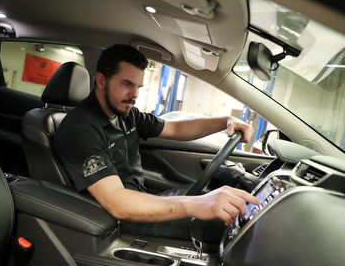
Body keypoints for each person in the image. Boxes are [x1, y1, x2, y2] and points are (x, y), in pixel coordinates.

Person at [53, 44, 260, 240]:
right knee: (226, 226)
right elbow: (117, 202)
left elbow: (176, 128)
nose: (134, 95)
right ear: (101, 81)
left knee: (228, 205)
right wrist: (193, 205)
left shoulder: (126, 113)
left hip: (139, 203)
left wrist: (226, 120)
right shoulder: (79, 129)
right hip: (118, 220)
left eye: (138, 86)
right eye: (126, 84)